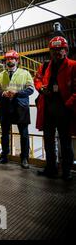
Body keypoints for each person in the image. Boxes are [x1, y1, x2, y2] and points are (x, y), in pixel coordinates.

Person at [35, 36, 76, 181]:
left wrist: (68, 104)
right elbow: (38, 79)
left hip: (65, 110)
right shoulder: (45, 66)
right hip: (48, 109)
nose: (57, 52)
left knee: (65, 142)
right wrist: (41, 89)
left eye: (60, 49)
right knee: (49, 141)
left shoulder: (73, 66)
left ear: (66, 50)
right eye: (54, 50)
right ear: (50, 51)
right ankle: (51, 168)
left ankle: (66, 171)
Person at [0, 50, 34, 169]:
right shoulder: (1, 75)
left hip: (20, 106)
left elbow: (30, 89)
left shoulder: (25, 73)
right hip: (5, 106)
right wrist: (3, 93)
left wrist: (17, 93)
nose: (9, 61)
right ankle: (4, 156)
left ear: (17, 61)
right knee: (4, 133)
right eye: (7, 59)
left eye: (12, 59)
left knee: (24, 134)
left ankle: (24, 158)